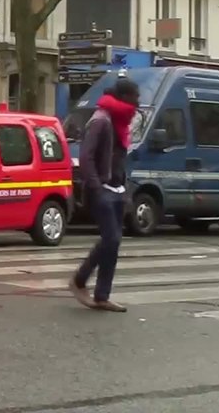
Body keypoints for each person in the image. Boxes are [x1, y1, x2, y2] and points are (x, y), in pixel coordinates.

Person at [68, 78, 140, 313]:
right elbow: (86, 156)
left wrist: (124, 187)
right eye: (135, 97)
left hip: (117, 188)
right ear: (124, 97)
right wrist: (96, 186)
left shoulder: (120, 121)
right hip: (103, 189)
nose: (137, 102)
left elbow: (119, 156)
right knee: (112, 239)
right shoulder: (101, 120)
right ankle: (79, 281)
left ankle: (102, 296)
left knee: (113, 242)